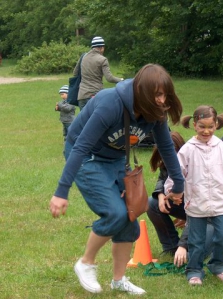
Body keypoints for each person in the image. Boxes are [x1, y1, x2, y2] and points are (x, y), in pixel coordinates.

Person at [49, 64, 185, 295]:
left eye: (165, 94)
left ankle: (118, 280)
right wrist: (61, 191)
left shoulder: (156, 112)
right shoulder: (110, 103)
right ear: (142, 92)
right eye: (157, 95)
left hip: (116, 159)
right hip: (87, 156)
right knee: (115, 213)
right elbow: (80, 146)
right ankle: (85, 263)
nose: (162, 101)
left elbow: (166, 147)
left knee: (130, 219)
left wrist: (179, 185)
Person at [165, 105, 223, 286]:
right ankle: (194, 270)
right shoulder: (187, 149)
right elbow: (176, 173)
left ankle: (218, 265)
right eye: (202, 126)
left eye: (210, 126)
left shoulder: (222, 147)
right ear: (194, 125)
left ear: (216, 124)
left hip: (221, 203)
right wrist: (171, 191)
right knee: (196, 240)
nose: (206, 131)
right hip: (197, 204)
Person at [147, 132, 214, 260]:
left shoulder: (195, 165)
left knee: (192, 256)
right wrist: (160, 194)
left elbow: (197, 211)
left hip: (208, 216)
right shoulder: (169, 162)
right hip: (189, 208)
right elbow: (163, 178)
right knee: (152, 203)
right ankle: (171, 247)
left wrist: (183, 245)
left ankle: (213, 241)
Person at [74, 36, 123, 110]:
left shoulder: (83, 57)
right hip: (95, 95)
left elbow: (75, 73)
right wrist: (121, 80)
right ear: (101, 48)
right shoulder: (102, 59)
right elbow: (109, 78)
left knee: (85, 121)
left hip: (82, 96)